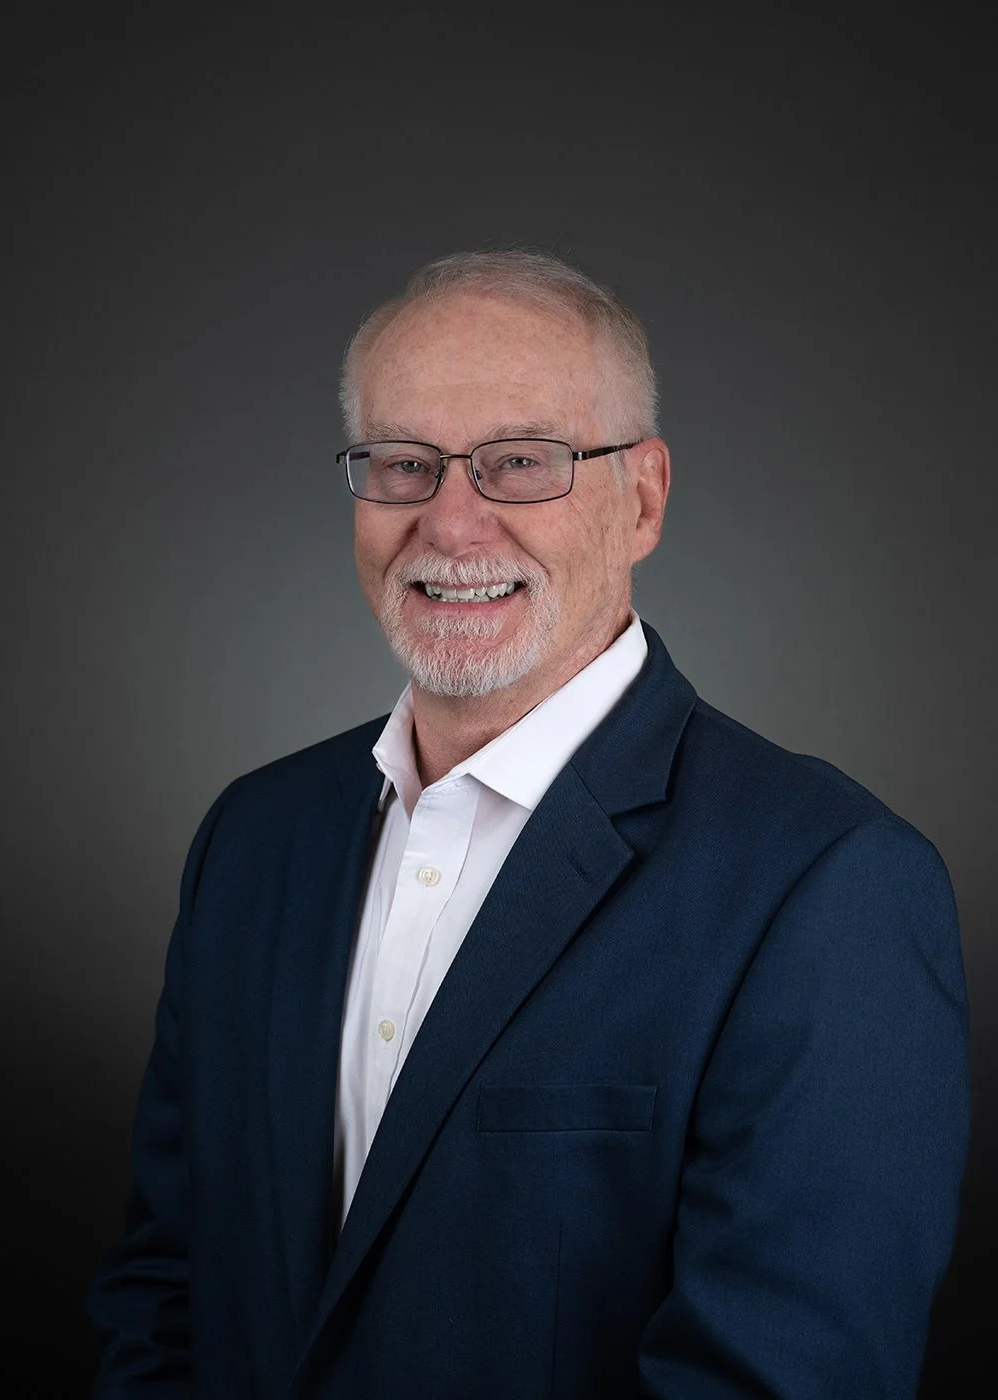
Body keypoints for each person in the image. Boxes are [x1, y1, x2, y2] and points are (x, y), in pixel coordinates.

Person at [88, 250, 970, 1399]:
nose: (452, 521)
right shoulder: (254, 839)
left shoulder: (828, 884)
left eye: (520, 462)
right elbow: (168, 1280)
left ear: (642, 496)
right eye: (402, 462)